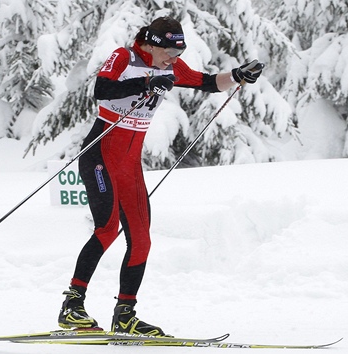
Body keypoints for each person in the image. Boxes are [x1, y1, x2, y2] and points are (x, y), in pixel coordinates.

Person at [58, 16, 263, 336]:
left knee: (140, 238)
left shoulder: (170, 66)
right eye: (169, 51)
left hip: (129, 165)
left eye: (178, 53)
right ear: (151, 44)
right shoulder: (124, 57)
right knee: (108, 229)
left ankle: (125, 315)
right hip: (100, 156)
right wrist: (145, 83)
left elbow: (206, 82)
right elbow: (102, 89)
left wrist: (237, 75)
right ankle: (72, 306)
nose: (174, 59)